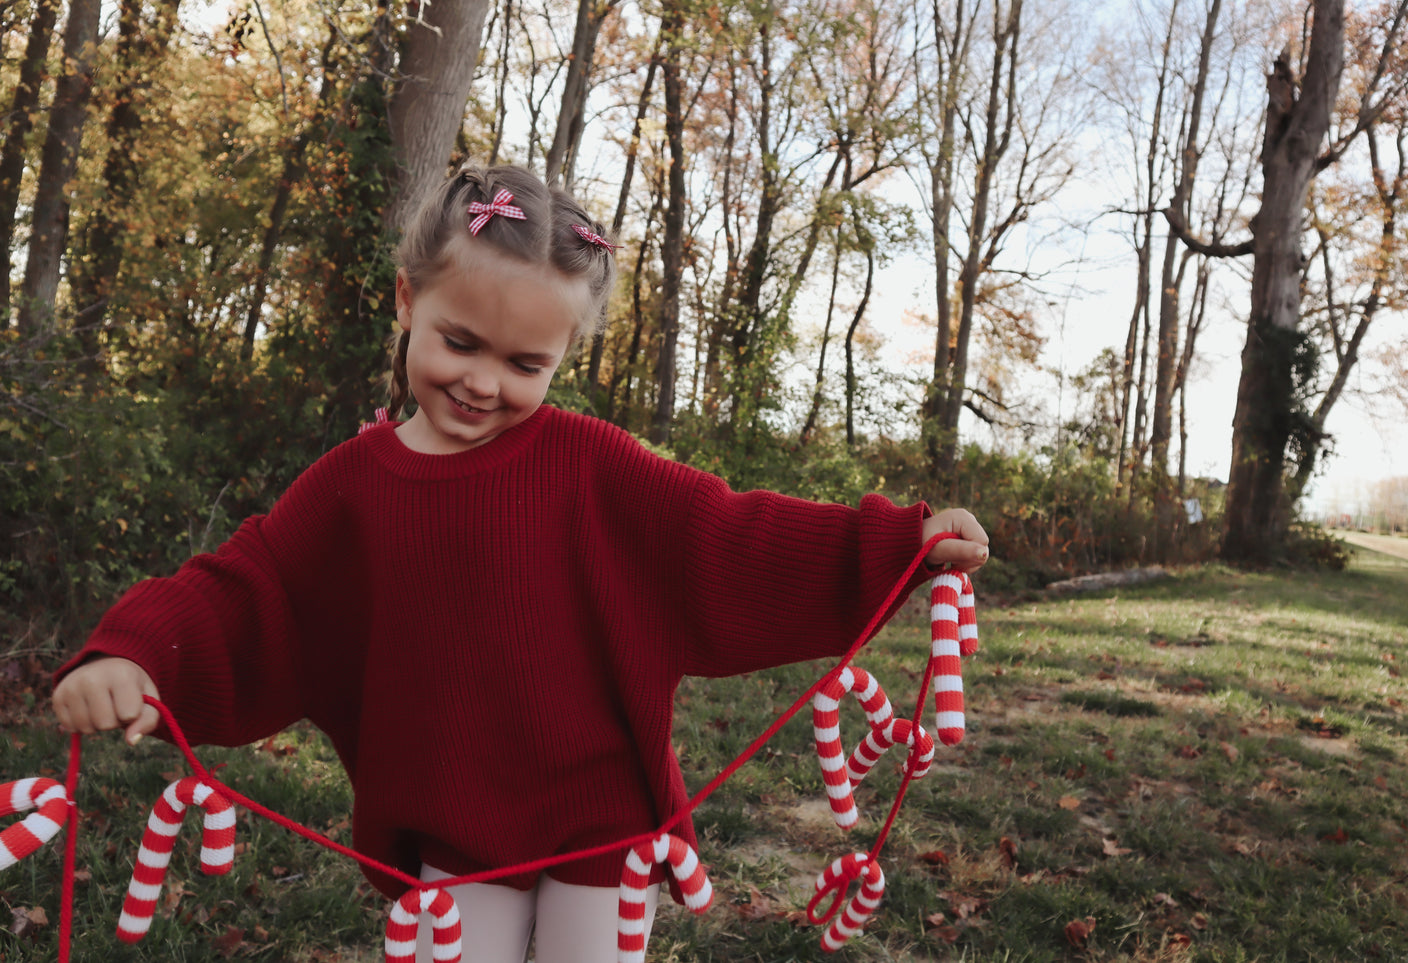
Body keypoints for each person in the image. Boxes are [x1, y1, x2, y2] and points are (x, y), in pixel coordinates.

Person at [51, 162, 989, 963]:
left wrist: (894, 546)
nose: (483, 382)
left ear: (562, 357)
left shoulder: (589, 463)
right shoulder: (350, 487)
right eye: (460, 342)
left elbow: (723, 535)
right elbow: (251, 589)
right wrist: (134, 652)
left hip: (605, 827)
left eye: (525, 363)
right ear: (408, 299)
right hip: (455, 830)